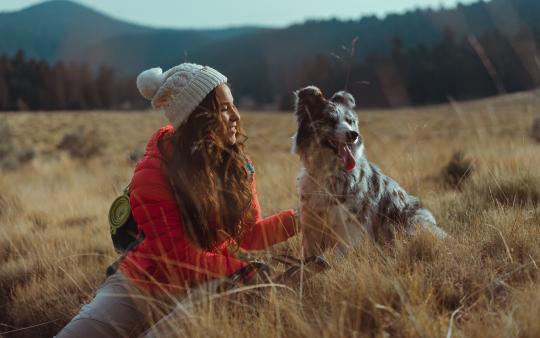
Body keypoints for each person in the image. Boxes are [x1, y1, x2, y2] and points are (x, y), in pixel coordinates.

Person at [56, 63, 298, 337]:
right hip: (141, 284)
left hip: (203, 285)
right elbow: (177, 258)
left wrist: (299, 220)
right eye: (224, 109)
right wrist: (242, 271)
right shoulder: (153, 172)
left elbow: (248, 235)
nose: (236, 116)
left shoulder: (239, 168)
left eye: (233, 106)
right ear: (197, 117)